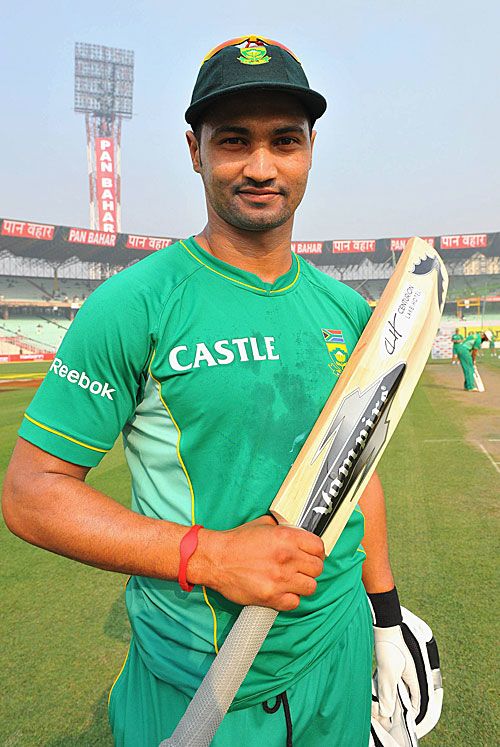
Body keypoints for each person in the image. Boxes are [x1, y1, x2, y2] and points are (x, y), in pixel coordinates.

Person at [2, 36, 414, 746]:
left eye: (284, 140)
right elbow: (31, 492)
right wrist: (212, 555)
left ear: (310, 148)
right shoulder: (137, 304)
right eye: (233, 141)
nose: (260, 166)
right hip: (206, 681)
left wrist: (385, 618)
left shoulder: (347, 311)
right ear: (195, 149)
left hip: (335, 655)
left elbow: (357, 475)